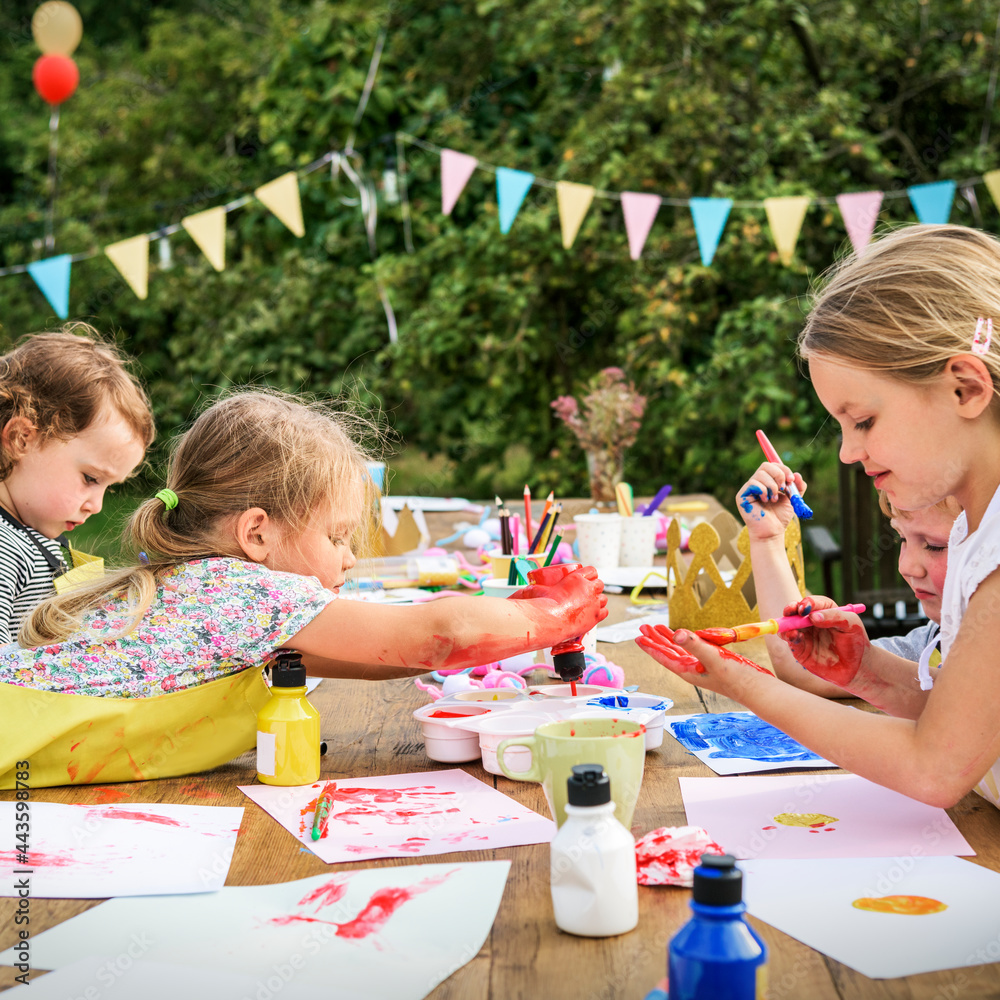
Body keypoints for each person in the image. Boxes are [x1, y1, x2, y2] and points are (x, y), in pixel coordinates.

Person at [0, 390, 606, 787]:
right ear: (257, 533)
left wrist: (519, 625)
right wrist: (558, 614)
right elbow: (438, 636)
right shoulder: (245, 591)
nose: (348, 558)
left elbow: (373, 657)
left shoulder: (199, 583)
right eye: (338, 537)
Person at [637, 223, 1000, 809]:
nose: (847, 453)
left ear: (964, 388)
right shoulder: (973, 532)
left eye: (862, 421)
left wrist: (738, 680)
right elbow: (964, 715)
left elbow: (932, 769)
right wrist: (867, 674)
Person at [735, 459, 959, 696]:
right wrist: (767, 539)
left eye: (934, 546)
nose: (906, 567)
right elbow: (808, 671)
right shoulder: (935, 642)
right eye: (901, 538)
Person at [0, 326, 153, 644]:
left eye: (107, 487)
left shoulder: (26, 534)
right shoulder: (6, 549)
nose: (95, 506)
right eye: (90, 479)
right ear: (21, 438)